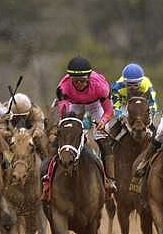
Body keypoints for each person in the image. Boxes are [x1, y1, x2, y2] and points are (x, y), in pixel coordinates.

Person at [49, 56, 117, 194]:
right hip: (74, 104)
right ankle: (48, 177)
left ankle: (110, 179)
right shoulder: (63, 87)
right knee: (66, 135)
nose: (79, 84)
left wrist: (103, 122)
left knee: (102, 139)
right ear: (70, 79)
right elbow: (64, 115)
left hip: (95, 104)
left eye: (83, 81)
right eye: (75, 81)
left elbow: (109, 111)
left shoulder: (100, 86)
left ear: (89, 78)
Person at [0, 92, 49, 158]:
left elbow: (39, 125)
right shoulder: (4, 111)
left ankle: (44, 158)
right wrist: (7, 133)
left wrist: (34, 133)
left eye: (23, 117)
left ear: (29, 112)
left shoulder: (35, 111)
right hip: (12, 131)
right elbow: (1, 126)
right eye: (16, 117)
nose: (20, 120)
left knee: (39, 139)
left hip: (30, 130)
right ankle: (2, 160)